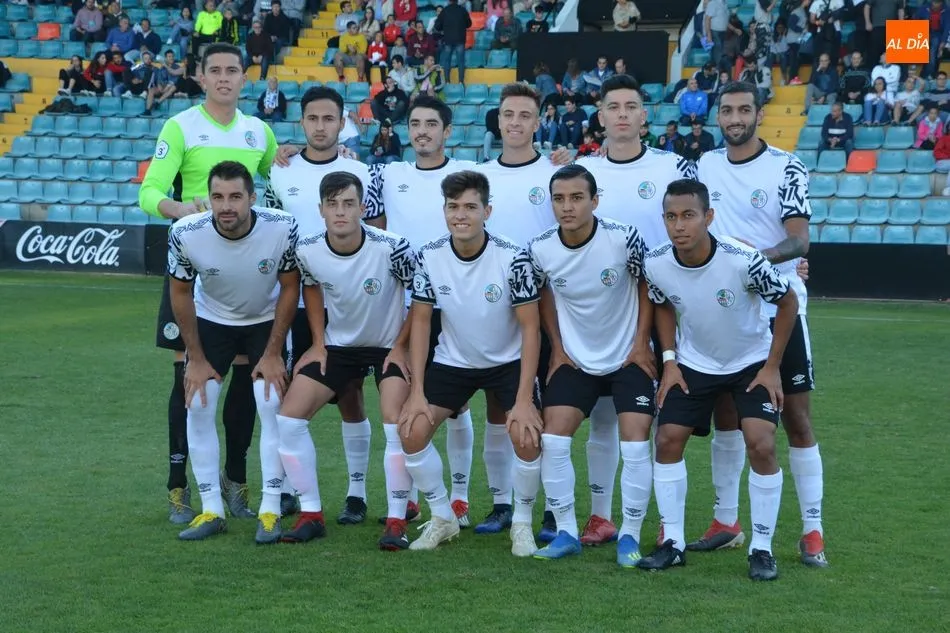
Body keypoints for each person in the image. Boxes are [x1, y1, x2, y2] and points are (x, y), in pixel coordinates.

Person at [139, 43, 279, 525]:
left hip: (243, 272)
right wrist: (182, 210)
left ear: (245, 77)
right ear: (200, 78)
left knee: (246, 380)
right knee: (190, 379)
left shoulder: (259, 131)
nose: (224, 78)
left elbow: (280, 183)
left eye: (232, 71)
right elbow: (149, 191)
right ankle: (178, 486)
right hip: (193, 264)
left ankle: (235, 480)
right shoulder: (180, 126)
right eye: (214, 71)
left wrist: (324, 154)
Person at [638, 178, 799, 581]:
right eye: (671, 217)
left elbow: (788, 300)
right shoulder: (657, 262)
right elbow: (661, 304)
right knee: (667, 439)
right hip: (694, 363)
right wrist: (670, 361)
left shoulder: (742, 258)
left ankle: (761, 548)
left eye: (689, 215)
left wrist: (772, 366)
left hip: (749, 363)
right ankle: (672, 542)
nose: (680, 225)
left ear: (708, 217)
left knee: (761, 444)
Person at [695, 80, 827, 568]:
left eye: (743, 110)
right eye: (726, 110)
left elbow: (798, 241)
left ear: (757, 114)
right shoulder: (703, 166)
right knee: (727, 415)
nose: (734, 118)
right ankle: (726, 522)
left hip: (779, 309)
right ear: (718, 115)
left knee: (795, 419)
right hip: (724, 311)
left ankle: (812, 529)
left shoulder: (786, 166)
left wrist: (754, 261)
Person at [573, 73, 695, 547]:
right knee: (605, 416)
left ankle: (667, 519)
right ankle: (601, 515)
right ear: (600, 118)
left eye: (631, 106)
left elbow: (700, 223)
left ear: (645, 117)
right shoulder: (582, 173)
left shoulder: (674, 167)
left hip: (670, 305)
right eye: (613, 107)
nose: (622, 114)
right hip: (604, 314)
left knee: (667, 415)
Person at [398, 170, 544, 554]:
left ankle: (522, 523)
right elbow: (422, 321)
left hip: (508, 362)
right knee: (411, 431)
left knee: (526, 436)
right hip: (453, 361)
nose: (460, 215)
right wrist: (416, 391)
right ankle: (444, 517)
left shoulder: (514, 257)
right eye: (453, 207)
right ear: (444, 211)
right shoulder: (429, 256)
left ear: (487, 211)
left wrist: (526, 397)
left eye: (469, 207)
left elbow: (532, 329)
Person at [278, 171, 417, 549]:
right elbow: (312, 287)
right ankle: (311, 513)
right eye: (333, 204)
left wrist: (402, 347)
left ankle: (396, 519)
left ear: (363, 207)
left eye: (349, 203)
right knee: (288, 420)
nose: (340, 211)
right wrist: (319, 342)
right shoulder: (307, 250)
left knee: (394, 423)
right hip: (338, 346)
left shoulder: (393, 246)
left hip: (388, 343)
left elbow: (420, 299)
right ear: (321, 209)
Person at [263, 86, 381, 524]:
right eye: (312, 118)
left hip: (351, 300)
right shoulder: (281, 170)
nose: (319, 126)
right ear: (302, 122)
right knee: (288, 391)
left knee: (351, 393)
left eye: (328, 119)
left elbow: (378, 237)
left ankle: (356, 492)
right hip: (296, 298)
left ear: (341, 121)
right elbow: (274, 229)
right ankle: (293, 488)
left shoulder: (360, 170)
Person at [525, 164, 654, 566]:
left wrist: (640, 345)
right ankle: (566, 531)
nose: (568, 206)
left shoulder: (623, 238)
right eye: (559, 199)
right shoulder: (541, 247)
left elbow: (647, 286)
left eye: (577, 198)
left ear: (594, 201)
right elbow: (543, 293)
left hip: (627, 357)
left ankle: (629, 536)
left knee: (635, 446)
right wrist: (558, 347)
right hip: (575, 358)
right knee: (554, 441)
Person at [166, 160, 300, 542]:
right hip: (213, 321)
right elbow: (180, 293)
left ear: (252, 198)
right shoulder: (185, 233)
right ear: (208, 198)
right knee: (199, 401)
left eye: (236, 197)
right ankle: (211, 510)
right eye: (218, 197)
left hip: (264, 320)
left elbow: (290, 287)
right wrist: (196, 357)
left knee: (271, 402)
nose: (226, 206)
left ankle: (271, 509)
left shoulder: (281, 227)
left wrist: (274, 352)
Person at [365, 96, 480, 527]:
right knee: (407, 398)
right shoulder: (387, 174)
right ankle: (409, 495)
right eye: (415, 124)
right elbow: (372, 229)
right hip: (404, 305)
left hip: (455, 305)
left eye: (432, 124)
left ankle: (462, 496)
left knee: (457, 404)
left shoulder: (467, 175)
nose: (422, 132)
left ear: (447, 131)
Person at [474, 82, 567, 541]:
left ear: (537, 122)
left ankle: (550, 507)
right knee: (499, 411)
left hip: (541, 308)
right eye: (508, 114)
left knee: (541, 412)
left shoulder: (556, 175)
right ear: (498, 119)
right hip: (488, 311)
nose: (515, 123)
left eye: (524, 116)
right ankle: (501, 503)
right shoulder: (479, 175)